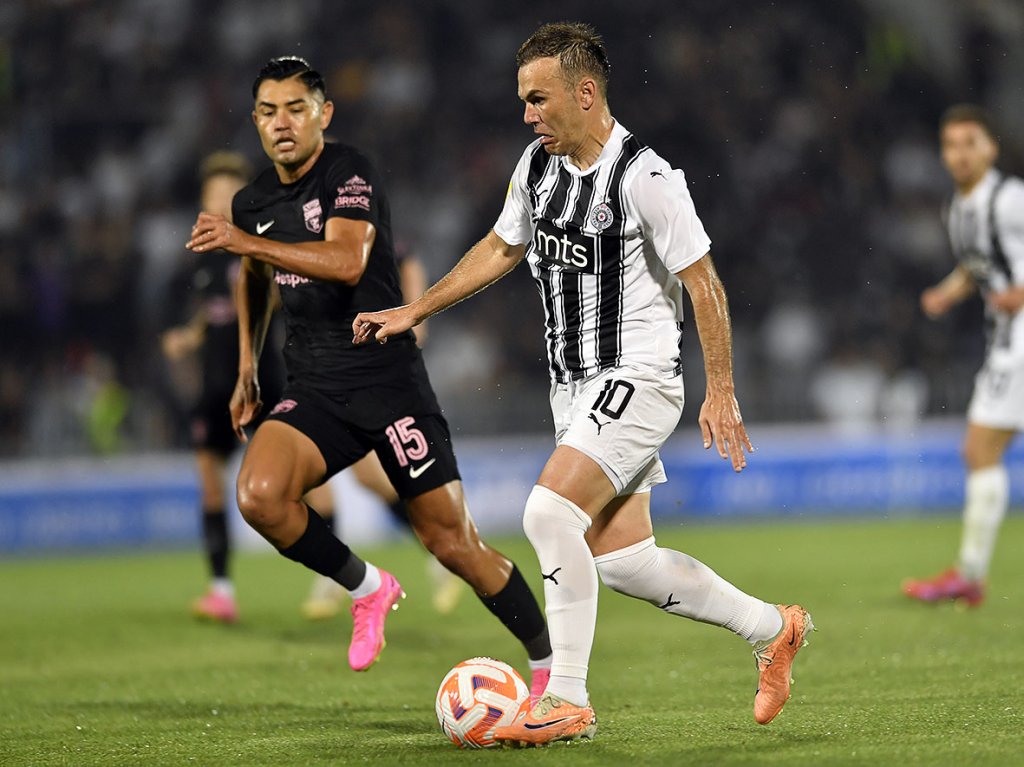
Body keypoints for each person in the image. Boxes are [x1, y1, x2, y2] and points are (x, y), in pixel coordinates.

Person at [354, 22, 813, 745]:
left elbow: (704, 283)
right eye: (523, 100)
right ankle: (772, 627)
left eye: (538, 99)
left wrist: (720, 388)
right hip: (572, 390)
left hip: (638, 377)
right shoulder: (536, 167)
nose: (526, 115)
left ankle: (566, 696)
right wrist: (417, 308)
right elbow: (501, 246)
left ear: (586, 93)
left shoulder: (645, 178)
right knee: (626, 563)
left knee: (546, 513)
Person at [185, 57, 551, 689]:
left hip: (388, 382)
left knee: (452, 543)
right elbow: (253, 280)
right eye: (268, 112)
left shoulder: (350, 171)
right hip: (315, 388)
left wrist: (247, 243)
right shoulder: (253, 201)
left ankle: (551, 669)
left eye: (296, 109)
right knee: (259, 496)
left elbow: (347, 260)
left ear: (323, 114)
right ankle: (368, 587)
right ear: (255, 121)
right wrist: (248, 364)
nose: (282, 123)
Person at [162, 151, 340, 624]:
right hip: (215, 388)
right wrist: (188, 337)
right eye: (211, 194)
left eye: (227, 193)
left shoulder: (264, 243)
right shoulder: (200, 259)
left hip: (266, 383)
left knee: (306, 484)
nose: (218, 201)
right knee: (209, 481)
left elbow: (288, 295)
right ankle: (221, 591)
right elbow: (208, 314)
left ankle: (334, 574)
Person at [903, 104, 1024, 607]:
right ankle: (970, 574)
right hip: (1006, 339)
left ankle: (970, 576)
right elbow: (978, 267)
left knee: (980, 449)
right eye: (951, 145)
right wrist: (947, 293)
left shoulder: (1010, 198)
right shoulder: (958, 208)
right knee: (979, 451)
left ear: (992, 147)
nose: (960, 154)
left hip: (1020, 341)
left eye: (971, 142)